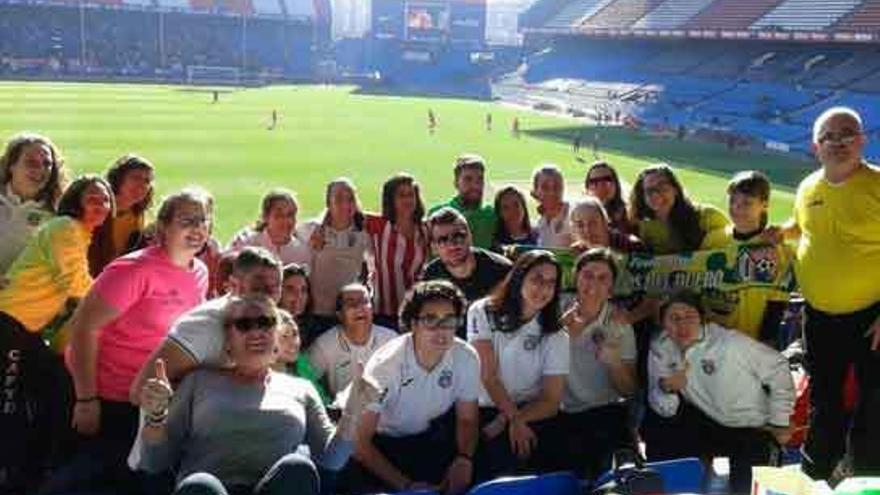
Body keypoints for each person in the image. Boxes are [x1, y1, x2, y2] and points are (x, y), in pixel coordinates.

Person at [135, 296, 373, 495]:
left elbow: (332, 459)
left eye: (265, 322)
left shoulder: (301, 389)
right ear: (228, 342)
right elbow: (154, 462)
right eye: (244, 324)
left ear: (277, 340)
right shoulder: (199, 382)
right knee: (200, 486)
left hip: (275, 489)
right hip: (212, 489)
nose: (256, 331)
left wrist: (353, 410)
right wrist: (155, 417)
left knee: (297, 468)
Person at [57, 189, 211, 493]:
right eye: (186, 221)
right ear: (163, 227)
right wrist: (86, 400)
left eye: (203, 220)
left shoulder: (200, 273)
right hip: (110, 399)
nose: (197, 228)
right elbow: (83, 329)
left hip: (154, 401)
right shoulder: (134, 270)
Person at [768, 107, 880, 479]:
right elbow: (804, 226)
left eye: (847, 133)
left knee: (874, 404)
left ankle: (868, 478)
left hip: (871, 317)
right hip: (818, 317)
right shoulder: (808, 187)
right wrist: (778, 233)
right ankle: (815, 475)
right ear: (816, 146)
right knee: (824, 401)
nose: (838, 142)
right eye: (828, 136)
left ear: (862, 140)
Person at [0, 176, 113, 494]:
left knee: (35, 393)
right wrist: (117, 307)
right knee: (9, 404)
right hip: (11, 321)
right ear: (76, 200)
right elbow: (76, 284)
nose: (101, 205)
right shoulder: (65, 228)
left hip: (25, 326)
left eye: (105, 200)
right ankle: (11, 475)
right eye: (93, 198)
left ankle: (27, 468)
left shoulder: (77, 232)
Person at [643, 290, 794, 493]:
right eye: (674, 318)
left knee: (747, 488)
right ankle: (678, 483)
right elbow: (665, 408)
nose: (682, 325)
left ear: (702, 318)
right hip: (709, 423)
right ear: (662, 322)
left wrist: (780, 420)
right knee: (660, 429)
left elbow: (778, 367)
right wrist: (667, 388)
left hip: (753, 428)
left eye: (689, 316)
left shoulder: (729, 343)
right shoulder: (661, 347)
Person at [350, 280, 480, 494]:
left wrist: (464, 459)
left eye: (449, 320)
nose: (441, 330)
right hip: (382, 445)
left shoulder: (466, 356)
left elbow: (467, 419)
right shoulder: (385, 366)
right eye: (430, 320)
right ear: (412, 324)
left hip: (429, 436)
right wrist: (407, 487)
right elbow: (359, 443)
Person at [128, 246, 283, 404]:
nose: (268, 296)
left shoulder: (275, 320)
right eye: (258, 288)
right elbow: (139, 391)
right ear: (234, 285)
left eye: (275, 287)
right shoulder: (203, 327)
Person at [466, 250, 569, 478]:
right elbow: (488, 376)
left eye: (551, 283)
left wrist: (516, 419)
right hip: (489, 409)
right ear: (518, 277)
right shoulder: (482, 311)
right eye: (537, 279)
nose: (543, 289)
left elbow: (551, 401)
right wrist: (509, 417)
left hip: (532, 412)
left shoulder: (556, 333)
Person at [551, 248, 637, 480]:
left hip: (606, 410)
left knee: (619, 477)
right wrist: (562, 336)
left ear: (611, 289)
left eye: (603, 278)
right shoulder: (554, 309)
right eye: (588, 275)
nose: (594, 283)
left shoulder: (619, 323)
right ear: (576, 278)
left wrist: (614, 363)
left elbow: (628, 390)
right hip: (560, 412)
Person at [700, 171, 790, 344]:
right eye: (733, 201)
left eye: (746, 203)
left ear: (764, 205)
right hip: (707, 338)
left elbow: (776, 306)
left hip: (746, 341)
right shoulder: (713, 239)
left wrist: (763, 347)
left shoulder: (778, 251)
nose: (736, 208)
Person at [420, 208, 512, 331]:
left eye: (458, 236)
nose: (452, 244)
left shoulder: (502, 270)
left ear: (470, 237)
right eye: (443, 240)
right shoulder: (431, 277)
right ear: (434, 248)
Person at [302, 178, 370, 332]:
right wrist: (321, 224)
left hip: (348, 315)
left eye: (351, 198)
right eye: (339, 199)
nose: (346, 204)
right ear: (328, 204)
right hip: (316, 315)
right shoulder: (311, 230)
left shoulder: (364, 232)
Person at [308, 284, 397, 401]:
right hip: (345, 415)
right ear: (339, 315)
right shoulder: (324, 345)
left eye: (364, 301)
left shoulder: (391, 340)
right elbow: (303, 379)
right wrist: (325, 405)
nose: (359, 307)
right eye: (351, 303)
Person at [364, 174, 429, 330]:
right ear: (390, 200)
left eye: (411, 195)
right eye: (401, 195)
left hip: (415, 312)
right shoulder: (378, 225)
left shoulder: (426, 229)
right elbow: (346, 213)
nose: (407, 200)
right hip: (383, 312)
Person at [0, 132, 68, 274]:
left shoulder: (58, 211)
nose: (40, 170)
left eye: (47, 164)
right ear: (11, 165)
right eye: (31, 162)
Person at [629, 163, 730, 254]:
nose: (656, 195)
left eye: (662, 186)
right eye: (649, 190)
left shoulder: (708, 216)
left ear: (676, 189)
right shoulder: (645, 226)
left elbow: (735, 244)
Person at [88, 154, 155, 276]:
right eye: (135, 178)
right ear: (118, 179)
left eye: (147, 181)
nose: (142, 185)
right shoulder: (97, 210)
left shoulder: (138, 214)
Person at [228, 189, 311, 268]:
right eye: (279, 215)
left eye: (290, 215)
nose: (286, 221)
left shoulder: (302, 251)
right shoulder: (246, 242)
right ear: (266, 217)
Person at [429, 154, 496, 249]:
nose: (475, 185)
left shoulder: (491, 214)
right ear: (456, 183)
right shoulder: (437, 215)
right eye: (468, 179)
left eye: (480, 179)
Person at [274, 309, 330, 404]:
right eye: (284, 336)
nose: (293, 343)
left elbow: (323, 403)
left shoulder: (301, 363)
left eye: (295, 334)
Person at [569, 197, 645, 254]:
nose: (587, 230)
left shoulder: (631, 245)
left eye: (593, 223)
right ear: (573, 229)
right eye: (580, 225)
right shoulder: (574, 253)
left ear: (605, 222)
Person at [584, 161, 633, 235]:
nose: (601, 186)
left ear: (616, 183)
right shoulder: (578, 217)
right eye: (594, 181)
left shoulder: (631, 215)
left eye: (607, 180)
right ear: (587, 187)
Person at [279, 262, 320, 349]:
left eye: (303, 290)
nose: (298, 296)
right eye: (290, 289)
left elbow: (301, 358)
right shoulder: (269, 327)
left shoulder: (313, 328)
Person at [531, 165, 572, 248]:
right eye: (545, 187)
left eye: (557, 187)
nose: (552, 192)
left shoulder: (574, 217)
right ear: (536, 191)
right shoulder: (540, 222)